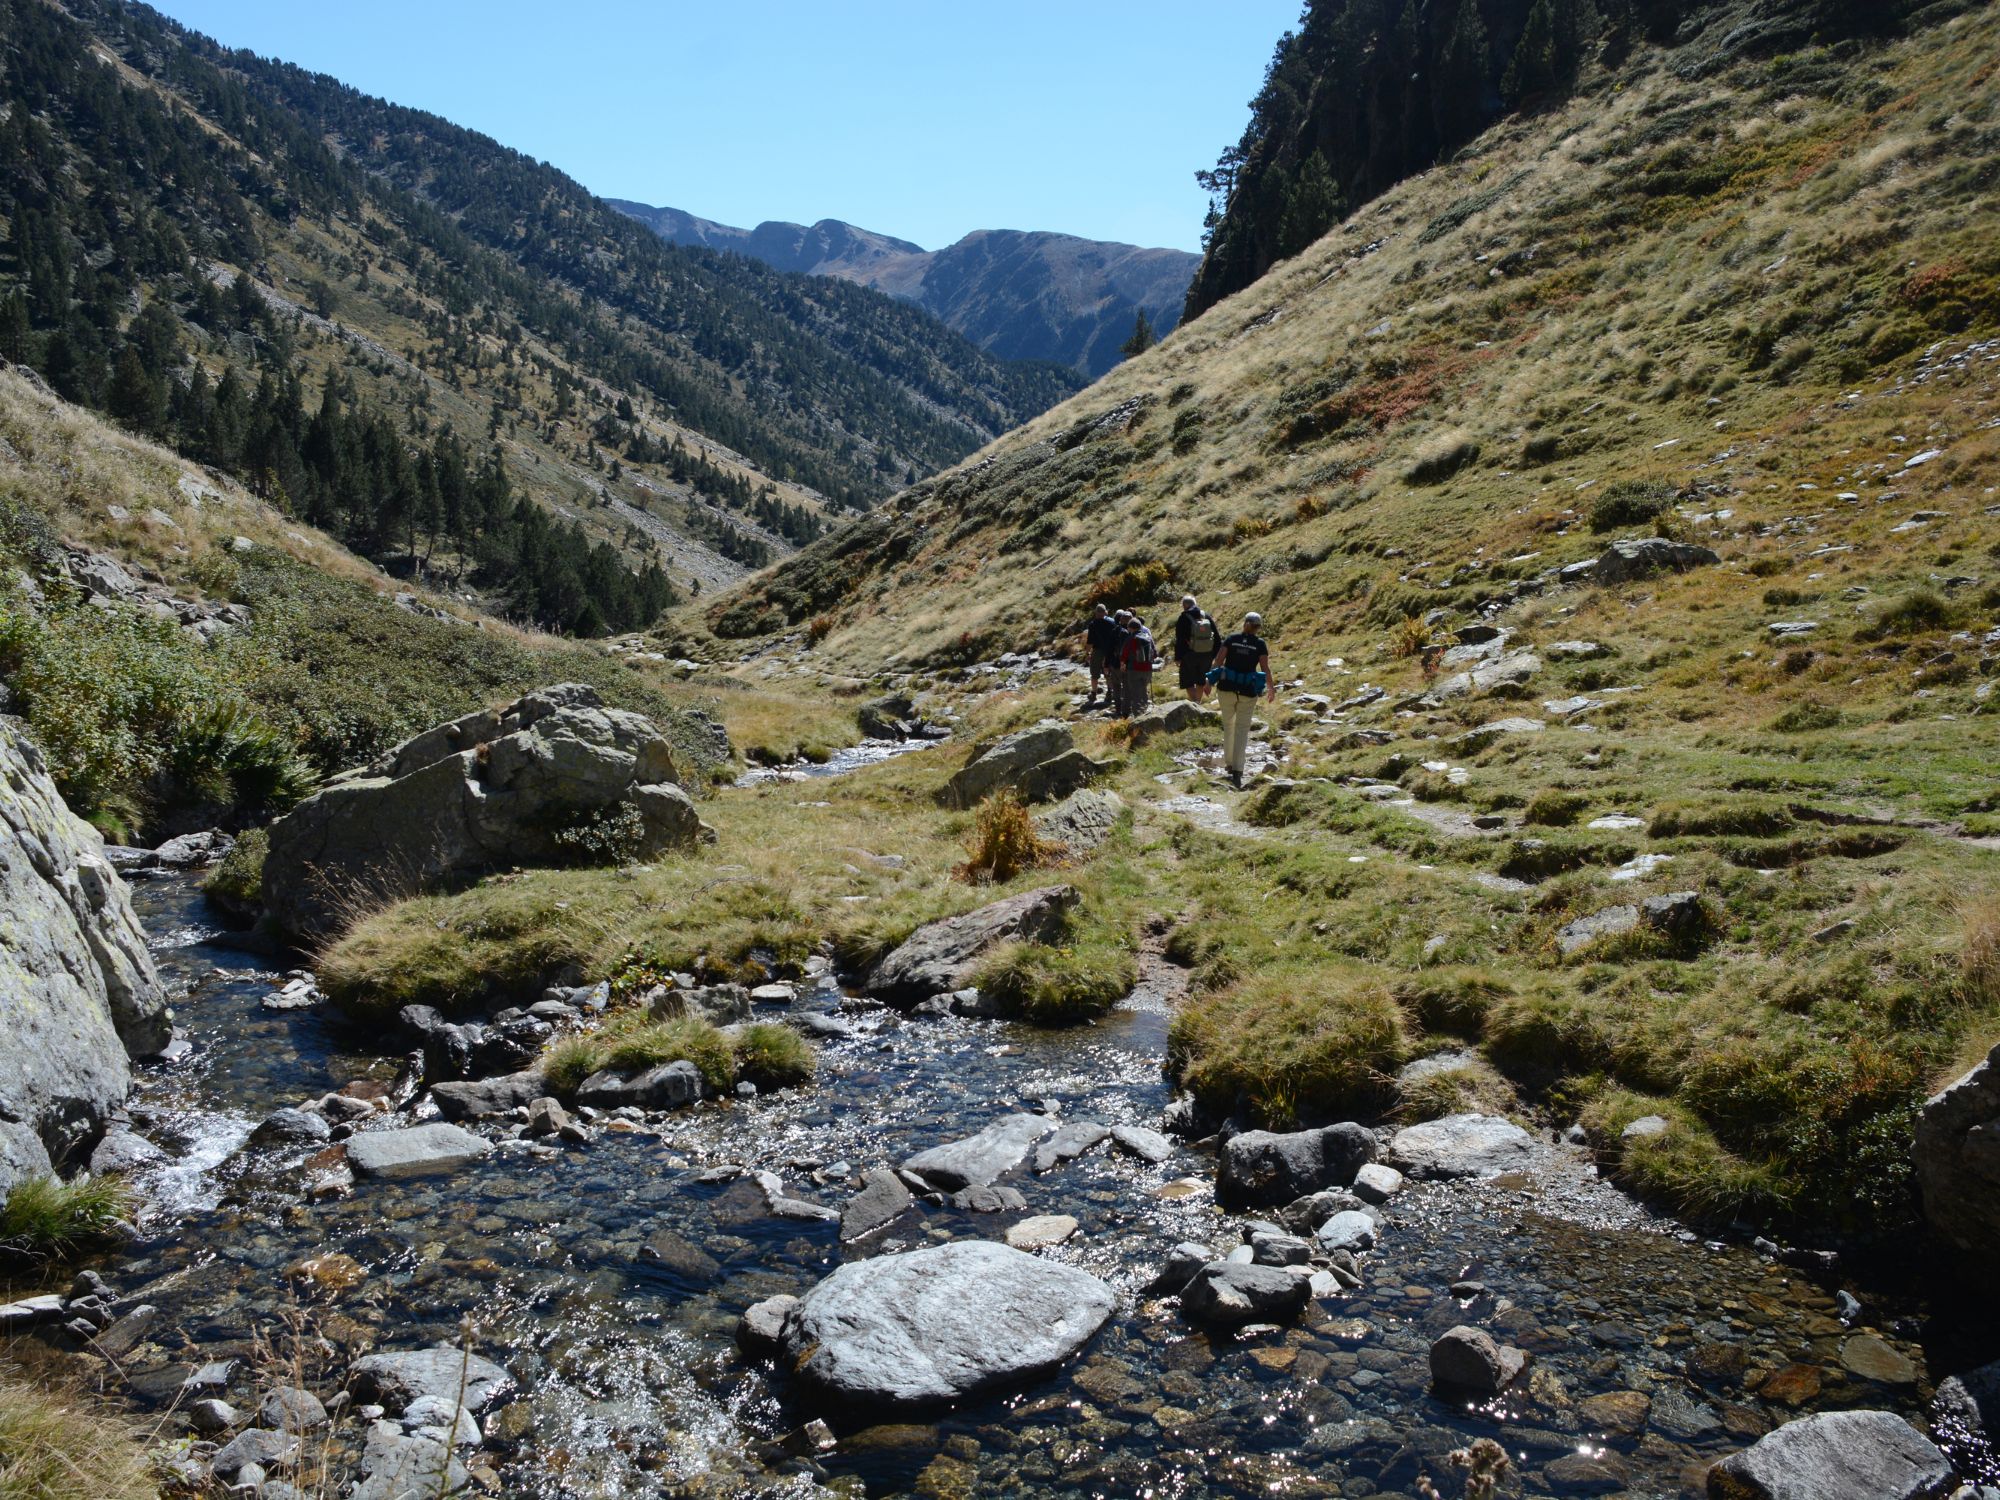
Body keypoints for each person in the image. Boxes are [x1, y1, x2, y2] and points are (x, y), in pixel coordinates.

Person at [1209, 610, 1276, 786]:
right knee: (1242, 729)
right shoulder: (1260, 644)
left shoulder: (1231, 639)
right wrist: (1271, 688)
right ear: (1258, 628)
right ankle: (1238, 769)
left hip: (1226, 689)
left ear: (1244, 623)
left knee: (1228, 726)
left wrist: (1209, 681)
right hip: (1248, 691)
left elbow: (1218, 661)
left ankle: (1229, 763)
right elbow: (1265, 668)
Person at [1174, 594, 1219, 703]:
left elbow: (1179, 639)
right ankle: (1198, 703)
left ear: (1184, 605)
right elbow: (1217, 637)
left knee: (1188, 681)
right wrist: (1214, 655)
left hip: (1189, 654)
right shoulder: (1205, 616)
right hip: (1207, 654)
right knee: (1201, 681)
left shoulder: (1183, 618)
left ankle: (1194, 704)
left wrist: (1178, 657)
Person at [1117, 611, 1159, 716]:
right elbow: (1155, 654)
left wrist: (1122, 665)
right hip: (1148, 670)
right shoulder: (1148, 637)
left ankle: (1138, 719)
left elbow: (1123, 655)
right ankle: (1145, 713)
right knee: (1143, 692)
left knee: (1135, 694)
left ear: (1130, 628)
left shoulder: (1130, 638)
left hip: (1134, 670)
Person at [1082, 602, 1120, 706]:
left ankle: (1094, 693)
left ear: (1096, 612)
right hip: (1109, 650)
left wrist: (1087, 653)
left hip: (1097, 651)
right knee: (1108, 672)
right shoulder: (1112, 622)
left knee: (1094, 674)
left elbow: (1090, 641)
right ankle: (1109, 692)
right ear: (1105, 612)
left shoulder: (1093, 624)